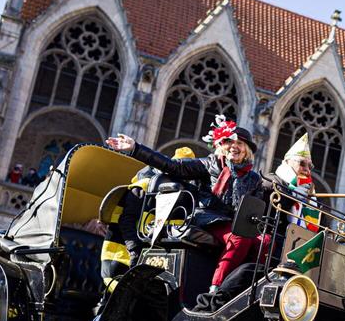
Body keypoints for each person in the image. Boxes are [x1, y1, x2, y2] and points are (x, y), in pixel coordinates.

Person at [106, 117, 267, 293]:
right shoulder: (209, 163)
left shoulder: (254, 179)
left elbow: (254, 211)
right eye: (230, 141)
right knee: (239, 237)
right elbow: (174, 166)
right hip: (208, 219)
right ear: (222, 145)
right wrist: (135, 148)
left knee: (266, 242)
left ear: (248, 150)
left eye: (241, 143)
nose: (235, 146)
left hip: (233, 223)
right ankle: (217, 289)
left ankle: (248, 289)